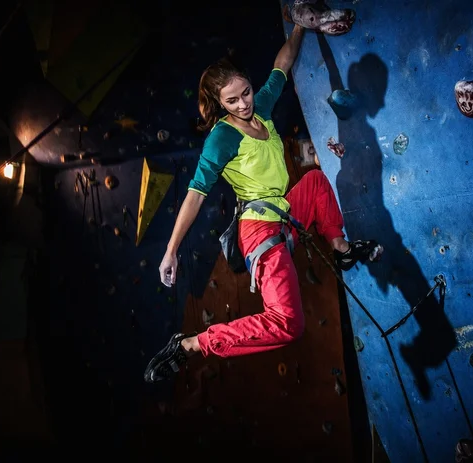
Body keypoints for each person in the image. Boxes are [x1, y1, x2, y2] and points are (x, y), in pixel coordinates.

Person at [144, 24, 382, 383]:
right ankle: (192, 344)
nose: (243, 104)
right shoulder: (222, 137)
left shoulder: (263, 110)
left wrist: (300, 25)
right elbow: (195, 194)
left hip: (284, 212)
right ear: (218, 104)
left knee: (315, 182)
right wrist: (171, 249)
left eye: (246, 92)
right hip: (259, 229)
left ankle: (342, 248)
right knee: (288, 324)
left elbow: (282, 64)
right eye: (232, 100)